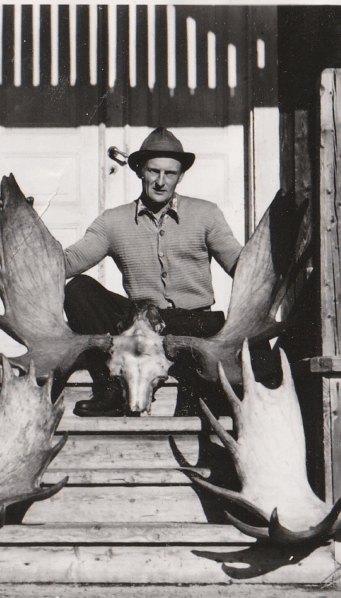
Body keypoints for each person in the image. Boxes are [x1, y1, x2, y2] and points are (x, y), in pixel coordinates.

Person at [63, 128, 243, 417]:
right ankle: (110, 388)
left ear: (181, 175)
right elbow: (68, 262)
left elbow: (241, 266)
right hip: (138, 324)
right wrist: (31, 245)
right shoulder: (112, 221)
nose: (161, 182)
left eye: (169, 173)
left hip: (194, 323)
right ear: (139, 171)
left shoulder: (206, 214)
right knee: (78, 289)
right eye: (153, 171)